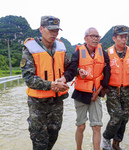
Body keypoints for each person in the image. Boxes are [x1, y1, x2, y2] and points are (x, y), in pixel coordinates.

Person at [20, 16, 70, 150]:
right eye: (51, 30)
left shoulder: (61, 47)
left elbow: (68, 67)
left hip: (57, 102)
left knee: (54, 134)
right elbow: (29, 78)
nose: (54, 33)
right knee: (39, 139)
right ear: (41, 29)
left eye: (57, 30)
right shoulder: (30, 48)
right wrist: (52, 85)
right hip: (38, 103)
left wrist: (78, 70)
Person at [58, 27, 111, 150]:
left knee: (97, 126)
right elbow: (71, 70)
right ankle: (78, 148)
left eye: (97, 36)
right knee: (81, 126)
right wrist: (64, 79)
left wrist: (97, 92)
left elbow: (107, 74)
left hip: (96, 94)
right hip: (81, 93)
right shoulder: (77, 53)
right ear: (85, 38)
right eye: (92, 36)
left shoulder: (103, 53)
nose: (95, 38)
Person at [101, 25, 129, 150]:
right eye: (121, 37)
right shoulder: (107, 53)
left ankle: (116, 144)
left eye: (126, 37)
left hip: (127, 90)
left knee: (125, 118)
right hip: (112, 90)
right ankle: (106, 138)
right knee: (117, 117)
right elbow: (100, 72)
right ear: (114, 38)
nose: (124, 39)